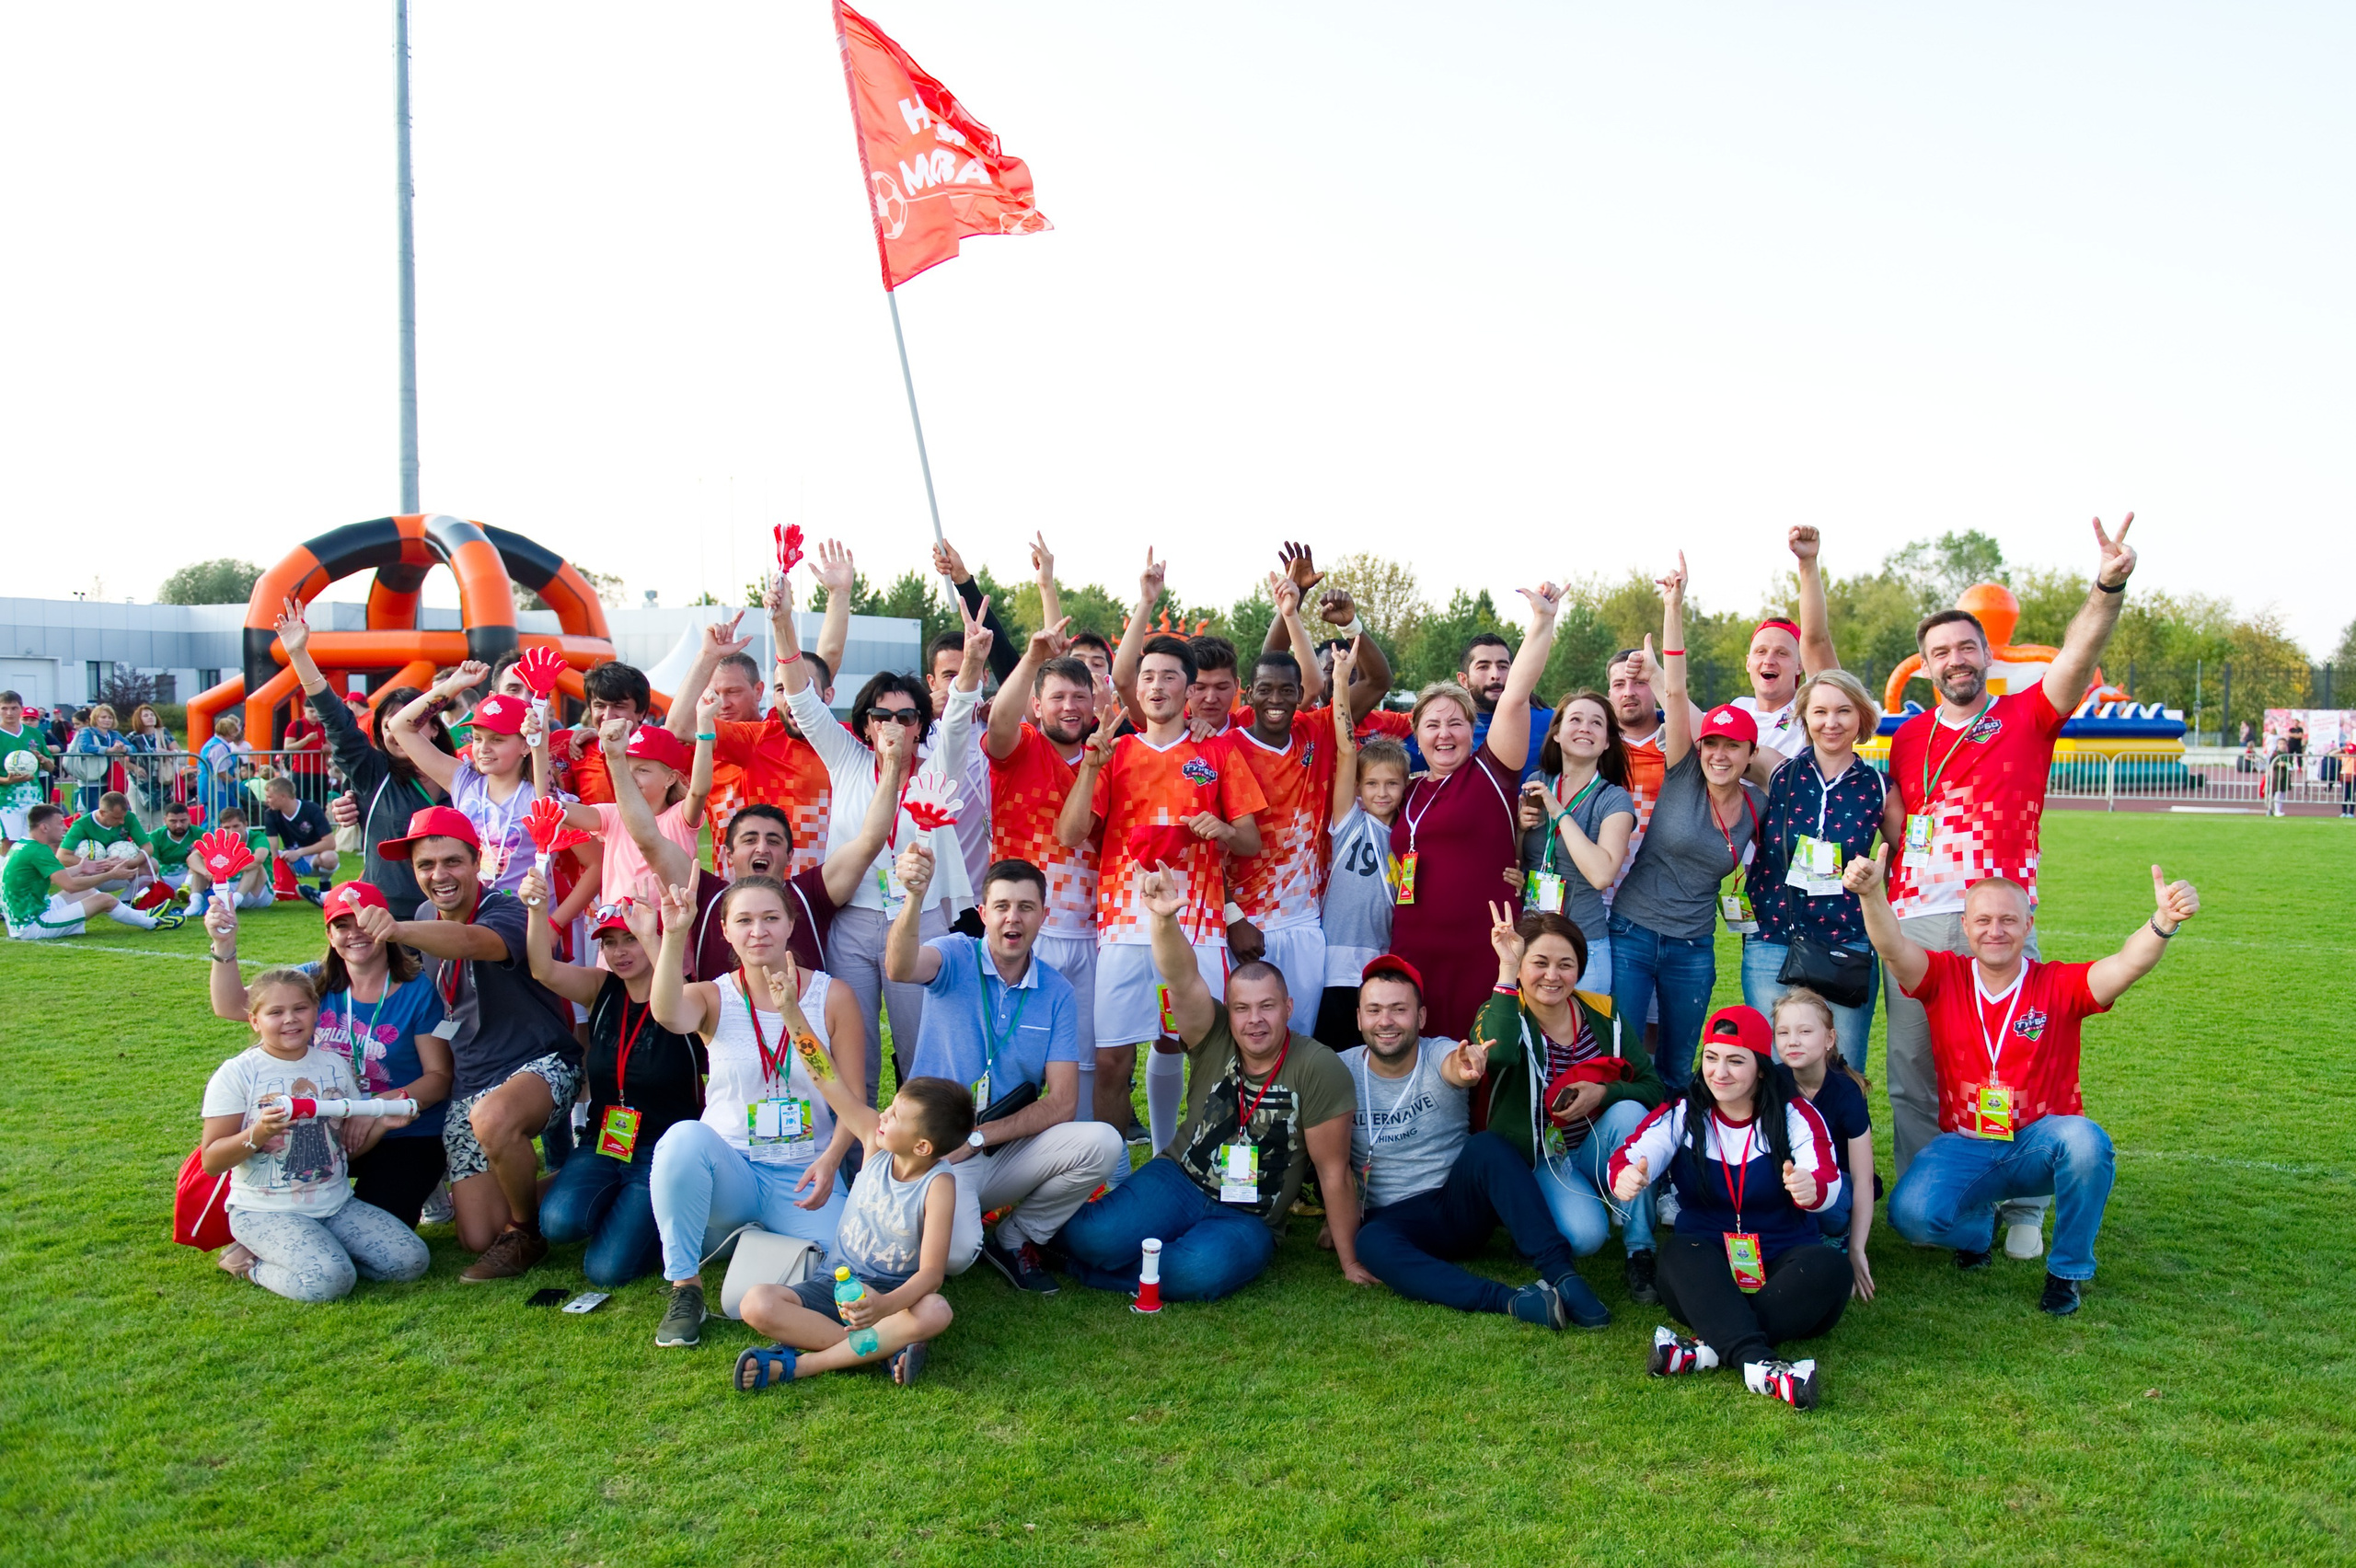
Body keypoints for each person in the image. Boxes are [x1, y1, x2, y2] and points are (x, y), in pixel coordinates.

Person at [1878, 515, 2141, 1262]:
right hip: (1919, 917)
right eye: (1940, 652)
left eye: (1967, 647)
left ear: (1986, 655)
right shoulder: (1906, 736)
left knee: (2020, 1063)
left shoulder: (2028, 714)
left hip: (1997, 919)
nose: (1955, 659)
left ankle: (2023, 1201)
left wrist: (2108, 585)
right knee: (1914, 1076)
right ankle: (1947, 1202)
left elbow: (2084, 645)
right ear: (1925, 666)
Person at [1850, 849, 2197, 1316]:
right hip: (1966, 1142)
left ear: (2028, 926)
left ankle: (2067, 1272)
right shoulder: (1944, 976)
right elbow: (1892, 946)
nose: (1996, 931)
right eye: (1984, 920)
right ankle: (1980, 1231)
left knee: (2087, 1143)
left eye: (2009, 920)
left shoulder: (2057, 983)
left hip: (2036, 1143)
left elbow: (2125, 966)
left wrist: (2162, 923)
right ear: (1967, 927)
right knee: (1911, 1217)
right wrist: (1873, 894)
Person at [1056, 868, 1357, 1302]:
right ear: (1228, 1011)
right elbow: (1182, 979)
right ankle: (1088, 1253)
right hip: (1179, 1179)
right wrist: (1162, 921)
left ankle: (1092, 1272)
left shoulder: (1318, 1067)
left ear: (1288, 1007)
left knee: (1201, 1269)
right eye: (1242, 1008)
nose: (1254, 1020)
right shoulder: (1212, 1034)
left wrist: (1350, 1262)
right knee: (1094, 1237)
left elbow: (1334, 1172)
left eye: (1267, 1007)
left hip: (1248, 1216)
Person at [1058, 551, 1266, 1147]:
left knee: (1189, 1042)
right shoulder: (1116, 753)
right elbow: (1072, 834)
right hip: (1124, 927)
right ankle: (1109, 1172)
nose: (1155, 685)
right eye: (1146, 676)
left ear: (1188, 687)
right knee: (1114, 1054)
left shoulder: (1219, 753)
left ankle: (1181, 1151)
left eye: (1169, 676)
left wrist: (1221, 830)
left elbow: (1249, 840)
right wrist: (1087, 770)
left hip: (1195, 925)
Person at [779, 573, 984, 1104]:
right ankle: (856, 1165)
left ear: (920, 725)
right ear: (865, 724)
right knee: (857, 1050)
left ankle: (925, 1159)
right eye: (882, 715)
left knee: (922, 1049)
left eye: (906, 716)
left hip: (921, 919)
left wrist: (974, 661)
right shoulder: (846, 760)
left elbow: (960, 716)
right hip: (853, 921)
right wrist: (781, 623)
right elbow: (802, 699)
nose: (894, 724)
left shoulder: (940, 762)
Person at [355, 806, 582, 1281]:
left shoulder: (508, 909)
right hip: (472, 1078)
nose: (439, 875)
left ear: (477, 860)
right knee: (477, 1236)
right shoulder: (422, 913)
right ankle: (582, 1175)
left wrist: (397, 931)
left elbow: (474, 943)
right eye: (425, 865)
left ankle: (525, 1233)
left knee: (493, 1118)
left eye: (451, 861)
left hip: (542, 1064)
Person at [885, 848, 1125, 1295]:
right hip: (931, 1147)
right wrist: (914, 899)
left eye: (1025, 907)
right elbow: (898, 968)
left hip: (993, 1150)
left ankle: (1015, 1239)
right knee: (955, 1258)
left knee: (1103, 1143)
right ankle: (938, 1216)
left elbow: (1063, 1102)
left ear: (1042, 916)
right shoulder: (954, 955)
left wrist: (978, 1138)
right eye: (1001, 907)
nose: (1012, 919)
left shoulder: (1056, 991)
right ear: (983, 913)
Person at [645, 875, 864, 1349]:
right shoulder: (712, 995)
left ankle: (779, 1287)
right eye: (743, 920)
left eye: (770, 918)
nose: (758, 931)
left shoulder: (834, 996)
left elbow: (853, 1100)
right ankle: (686, 1288)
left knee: (849, 1262)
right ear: (725, 930)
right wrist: (675, 933)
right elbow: (665, 1012)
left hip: (804, 1174)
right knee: (682, 1139)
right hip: (733, 1169)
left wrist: (829, 1162)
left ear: (791, 925)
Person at [1342, 954, 1603, 1329]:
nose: (1386, 1021)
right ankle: (1514, 1302)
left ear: (1421, 1017)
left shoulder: (1438, 1053)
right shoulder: (1342, 1068)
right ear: (1359, 1018)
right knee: (1369, 1243)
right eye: (1375, 1010)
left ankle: (1563, 1276)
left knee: (1488, 1147)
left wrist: (1468, 1066)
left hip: (1458, 1203)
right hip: (1394, 1219)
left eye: (1399, 1009)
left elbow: (1457, 1065)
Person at [1608, 1005, 1848, 1410]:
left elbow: (1828, 1180)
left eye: (1736, 1061)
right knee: (1679, 1253)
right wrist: (1627, 1176)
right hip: (1706, 1271)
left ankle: (1707, 1350)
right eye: (1711, 1058)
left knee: (1830, 1267)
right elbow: (1630, 1155)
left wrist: (1810, 1188)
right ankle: (1761, 1365)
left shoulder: (1795, 1116)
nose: (1719, 1072)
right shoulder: (1683, 1113)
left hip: (1781, 1270)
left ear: (1760, 1067)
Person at [203, 881, 454, 1228]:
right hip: (325, 1128)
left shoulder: (417, 989)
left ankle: (426, 1183)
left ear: (384, 923)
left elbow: (439, 1078)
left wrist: (377, 1108)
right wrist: (223, 944)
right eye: (342, 925)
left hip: (401, 1129)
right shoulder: (313, 981)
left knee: (378, 1231)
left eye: (364, 920)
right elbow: (231, 1005)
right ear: (329, 934)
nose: (355, 933)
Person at [1609, 556, 1767, 1095]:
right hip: (1632, 931)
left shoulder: (1758, 806)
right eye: (1712, 743)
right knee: (1625, 1061)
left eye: (1733, 746)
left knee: (1678, 1067)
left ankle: (1676, 1175)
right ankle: (1622, 1170)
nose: (1719, 754)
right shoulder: (1681, 774)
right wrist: (1673, 605)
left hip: (1693, 947)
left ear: (1749, 754)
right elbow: (1674, 690)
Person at [1387, 582, 1561, 1040]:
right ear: (1417, 736)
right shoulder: (1405, 791)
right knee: (1420, 1060)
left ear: (1472, 729)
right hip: (1414, 947)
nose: (1444, 734)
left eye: (1455, 723)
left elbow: (1516, 696)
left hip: (1482, 950)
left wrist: (1541, 622)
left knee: (1483, 1059)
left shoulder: (1490, 774)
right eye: (1432, 725)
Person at [197, 967, 433, 1301]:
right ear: (254, 1021)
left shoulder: (333, 1065)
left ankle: (319, 1252)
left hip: (335, 1205)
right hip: (265, 1211)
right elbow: (212, 1161)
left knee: (410, 1262)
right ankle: (248, 1264)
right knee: (328, 1281)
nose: (290, 1020)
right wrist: (260, 1132)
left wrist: (380, 1124)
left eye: (300, 1008)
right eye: (275, 1012)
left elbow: (345, 1150)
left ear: (316, 1012)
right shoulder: (238, 1073)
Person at [517, 876, 709, 1286]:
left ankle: (657, 1214)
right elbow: (542, 968)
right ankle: (624, 1206)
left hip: (661, 1153)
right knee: (557, 1223)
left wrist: (657, 938)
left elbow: (675, 985)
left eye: (631, 939)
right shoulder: (601, 988)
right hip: (607, 1141)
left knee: (606, 1271)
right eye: (609, 942)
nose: (620, 952)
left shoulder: (690, 998)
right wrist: (537, 910)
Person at [1471, 907, 1667, 1305]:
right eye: (1538, 963)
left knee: (1633, 1117)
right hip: (1542, 1156)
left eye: (1566, 965)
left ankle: (1640, 1249)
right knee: (1585, 1238)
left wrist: (1604, 1094)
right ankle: (1532, 1224)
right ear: (1522, 965)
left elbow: (1653, 1089)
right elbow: (1501, 1054)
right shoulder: (1502, 1011)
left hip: (1596, 1145)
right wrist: (1506, 971)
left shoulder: (1603, 1013)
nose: (1552, 976)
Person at [732, 1073, 973, 1393]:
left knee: (936, 1310)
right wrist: (792, 1020)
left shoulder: (938, 1185)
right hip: (833, 1285)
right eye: (890, 1106)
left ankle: (801, 1366)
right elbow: (828, 1079)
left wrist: (884, 1306)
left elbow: (931, 1275)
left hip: (892, 1302)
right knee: (756, 1304)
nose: (883, 1114)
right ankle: (884, 1351)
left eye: (896, 1115)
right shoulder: (875, 1142)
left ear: (922, 1146)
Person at [1739, 668, 1888, 1071]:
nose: (1831, 722)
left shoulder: (1879, 787)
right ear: (1804, 717)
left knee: (1842, 1069)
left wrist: (1875, 881)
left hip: (1846, 944)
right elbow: (1711, 739)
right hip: (1772, 939)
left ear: (1861, 716)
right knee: (1776, 1068)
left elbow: (1905, 855)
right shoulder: (1777, 771)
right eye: (1820, 711)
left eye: (1843, 711)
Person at [982, 619, 1104, 1105]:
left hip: (1093, 930)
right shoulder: (1021, 746)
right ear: (1037, 705)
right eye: (1057, 697)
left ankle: (1085, 1163)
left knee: (1086, 1054)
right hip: (1026, 925)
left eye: (1079, 697)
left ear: (1093, 705)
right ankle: (1006, 1150)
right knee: (1016, 1050)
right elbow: (998, 726)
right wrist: (1032, 657)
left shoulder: (1108, 756)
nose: (1069, 707)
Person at [280, 599, 452, 916]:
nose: (399, 733)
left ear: (435, 729)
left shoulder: (463, 778)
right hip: (386, 914)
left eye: (411, 723)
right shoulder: (374, 772)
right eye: (390, 726)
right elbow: (336, 719)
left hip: (456, 915)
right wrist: (299, 655)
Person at [659, 582, 847, 868]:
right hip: (740, 888)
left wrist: (839, 593)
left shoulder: (842, 738)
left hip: (822, 891)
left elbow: (824, 662)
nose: (723, 703)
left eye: (733, 692)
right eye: (714, 694)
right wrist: (708, 657)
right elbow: (677, 729)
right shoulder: (736, 740)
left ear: (759, 691)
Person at [1222, 590, 1339, 1032]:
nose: (1277, 699)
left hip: (1306, 919)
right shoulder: (1222, 748)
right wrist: (1234, 916)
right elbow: (1203, 845)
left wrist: (1303, 615)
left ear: (1300, 695)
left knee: (1299, 1036)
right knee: (1244, 1040)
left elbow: (1377, 683)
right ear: (1248, 694)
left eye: (1287, 690)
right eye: (1265, 690)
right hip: (1245, 923)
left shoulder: (1312, 731)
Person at [386, 663, 570, 898]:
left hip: (527, 923)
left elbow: (593, 862)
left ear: (525, 744)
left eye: (497, 740)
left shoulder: (544, 795)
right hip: (472, 915)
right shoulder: (465, 782)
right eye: (477, 738)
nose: (483, 748)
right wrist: (454, 684)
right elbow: (400, 727)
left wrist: (555, 923)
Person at [1314, 638, 1407, 1049]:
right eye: (1372, 784)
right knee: (1334, 1053)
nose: (1382, 793)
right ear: (1357, 787)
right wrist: (1338, 679)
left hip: (1382, 962)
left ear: (1407, 785)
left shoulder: (1410, 836)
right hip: (1335, 963)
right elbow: (1347, 747)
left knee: (1376, 1051)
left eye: (1391, 784)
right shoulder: (1350, 821)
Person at [1517, 690, 1637, 993]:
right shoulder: (1536, 783)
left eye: (1597, 723)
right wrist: (1519, 830)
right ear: (1556, 734)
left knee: (1581, 1040)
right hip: (1529, 945)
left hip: (1584, 948)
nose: (1585, 727)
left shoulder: (1613, 799)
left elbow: (1601, 874)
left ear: (1607, 741)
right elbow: (1519, 860)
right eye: (1575, 719)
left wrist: (1557, 810)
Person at [1772, 988, 1876, 1301]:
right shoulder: (1770, 1083)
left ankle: (1837, 1236)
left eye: (1805, 1031)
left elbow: (1863, 1179)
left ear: (1829, 1039)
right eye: (1783, 1032)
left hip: (1834, 1190)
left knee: (1830, 1200)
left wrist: (1858, 1249)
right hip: (1784, 1184)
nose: (1793, 1040)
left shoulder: (1846, 1092)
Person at [537, 718, 699, 909]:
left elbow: (699, 790)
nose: (630, 776)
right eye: (626, 768)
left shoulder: (679, 816)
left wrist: (704, 731)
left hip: (667, 931)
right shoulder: (612, 814)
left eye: (642, 770)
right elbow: (550, 807)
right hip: (617, 931)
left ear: (671, 778)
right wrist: (539, 747)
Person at [1726, 526, 1841, 768]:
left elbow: (1816, 639)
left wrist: (1807, 563)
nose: (1769, 660)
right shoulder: (1737, 709)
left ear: (1800, 665)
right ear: (1748, 662)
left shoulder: (1811, 707)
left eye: (1782, 653)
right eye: (1761, 651)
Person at [5, 802, 178, 938]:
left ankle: (143, 915)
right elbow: (70, 885)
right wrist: (110, 875)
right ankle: (152, 922)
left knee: (88, 891)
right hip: (33, 924)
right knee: (105, 899)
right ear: (44, 827)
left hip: (25, 917)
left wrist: (82, 868)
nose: (65, 827)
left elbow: (48, 878)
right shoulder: (39, 850)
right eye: (60, 823)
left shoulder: (22, 845)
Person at [550, 660, 657, 808]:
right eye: (599, 706)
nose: (607, 716)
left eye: (619, 706)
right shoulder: (579, 749)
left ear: (641, 712)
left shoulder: (659, 750)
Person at [61, 790, 160, 899]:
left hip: (121, 869)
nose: (122, 822)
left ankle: (125, 900)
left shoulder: (129, 818)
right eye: (117, 818)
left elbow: (148, 847)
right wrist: (99, 864)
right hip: (94, 874)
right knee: (79, 872)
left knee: (152, 864)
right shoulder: (81, 825)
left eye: (123, 817)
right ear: (103, 812)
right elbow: (62, 857)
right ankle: (93, 900)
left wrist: (133, 862)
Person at [260, 774, 340, 905]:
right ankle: (273, 889)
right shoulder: (270, 813)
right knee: (261, 856)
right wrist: (279, 874)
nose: (267, 801)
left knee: (331, 857)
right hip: (288, 857)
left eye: (269, 797)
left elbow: (330, 843)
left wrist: (299, 853)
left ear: (283, 797)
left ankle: (325, 882)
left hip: (313, 856)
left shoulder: (311, 809)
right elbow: (273, 848)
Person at [185, 805, 276, 912]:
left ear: (245, 824)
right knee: (204, 862)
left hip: (257, 891)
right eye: (227, 828)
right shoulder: (220, 840)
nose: (232, 832)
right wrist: (207, 872)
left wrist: (228, 869)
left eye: (236, 826)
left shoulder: (257, 837)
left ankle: (235, 901)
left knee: (253, 862)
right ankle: (196, 903)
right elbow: (192, 858)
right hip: (230, 887)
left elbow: (259, 858)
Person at [0, 689, 57, 853]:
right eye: (4, 708)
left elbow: (50, 766)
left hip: (33, 798)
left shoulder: (34, 734)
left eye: (14, 708)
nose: (9, 712)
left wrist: (45, 761)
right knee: (10, 843)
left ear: (21, 708)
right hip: (5, 802)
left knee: (36, 843)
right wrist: (7, 781)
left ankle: (33, 877)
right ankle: (6, 877)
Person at [147, 799, 200, 897]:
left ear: (189, 818)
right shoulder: (155, 836)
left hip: (193, 877)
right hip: (166, 878)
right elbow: (152, 866)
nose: (179, 825)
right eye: (173, 821)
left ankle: (188, 888)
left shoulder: (200, 834)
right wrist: (163, 888)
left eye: (183, 820)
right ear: (165, 820)